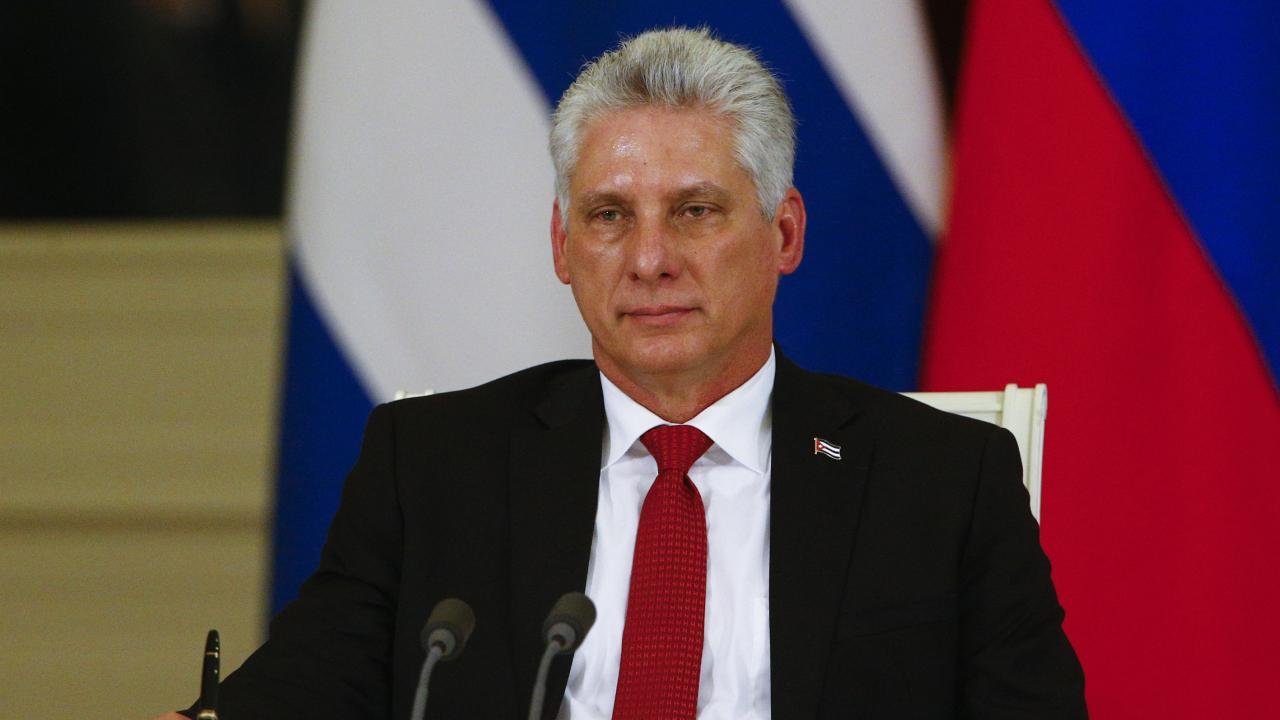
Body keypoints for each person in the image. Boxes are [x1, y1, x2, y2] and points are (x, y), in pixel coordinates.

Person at [156, 26, 1085, 720]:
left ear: (784, 233)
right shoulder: (434, 466)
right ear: (562, 246)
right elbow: (306, 688)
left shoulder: (943, 480)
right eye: (608, 216)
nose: (649, 260)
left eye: (694, 212)